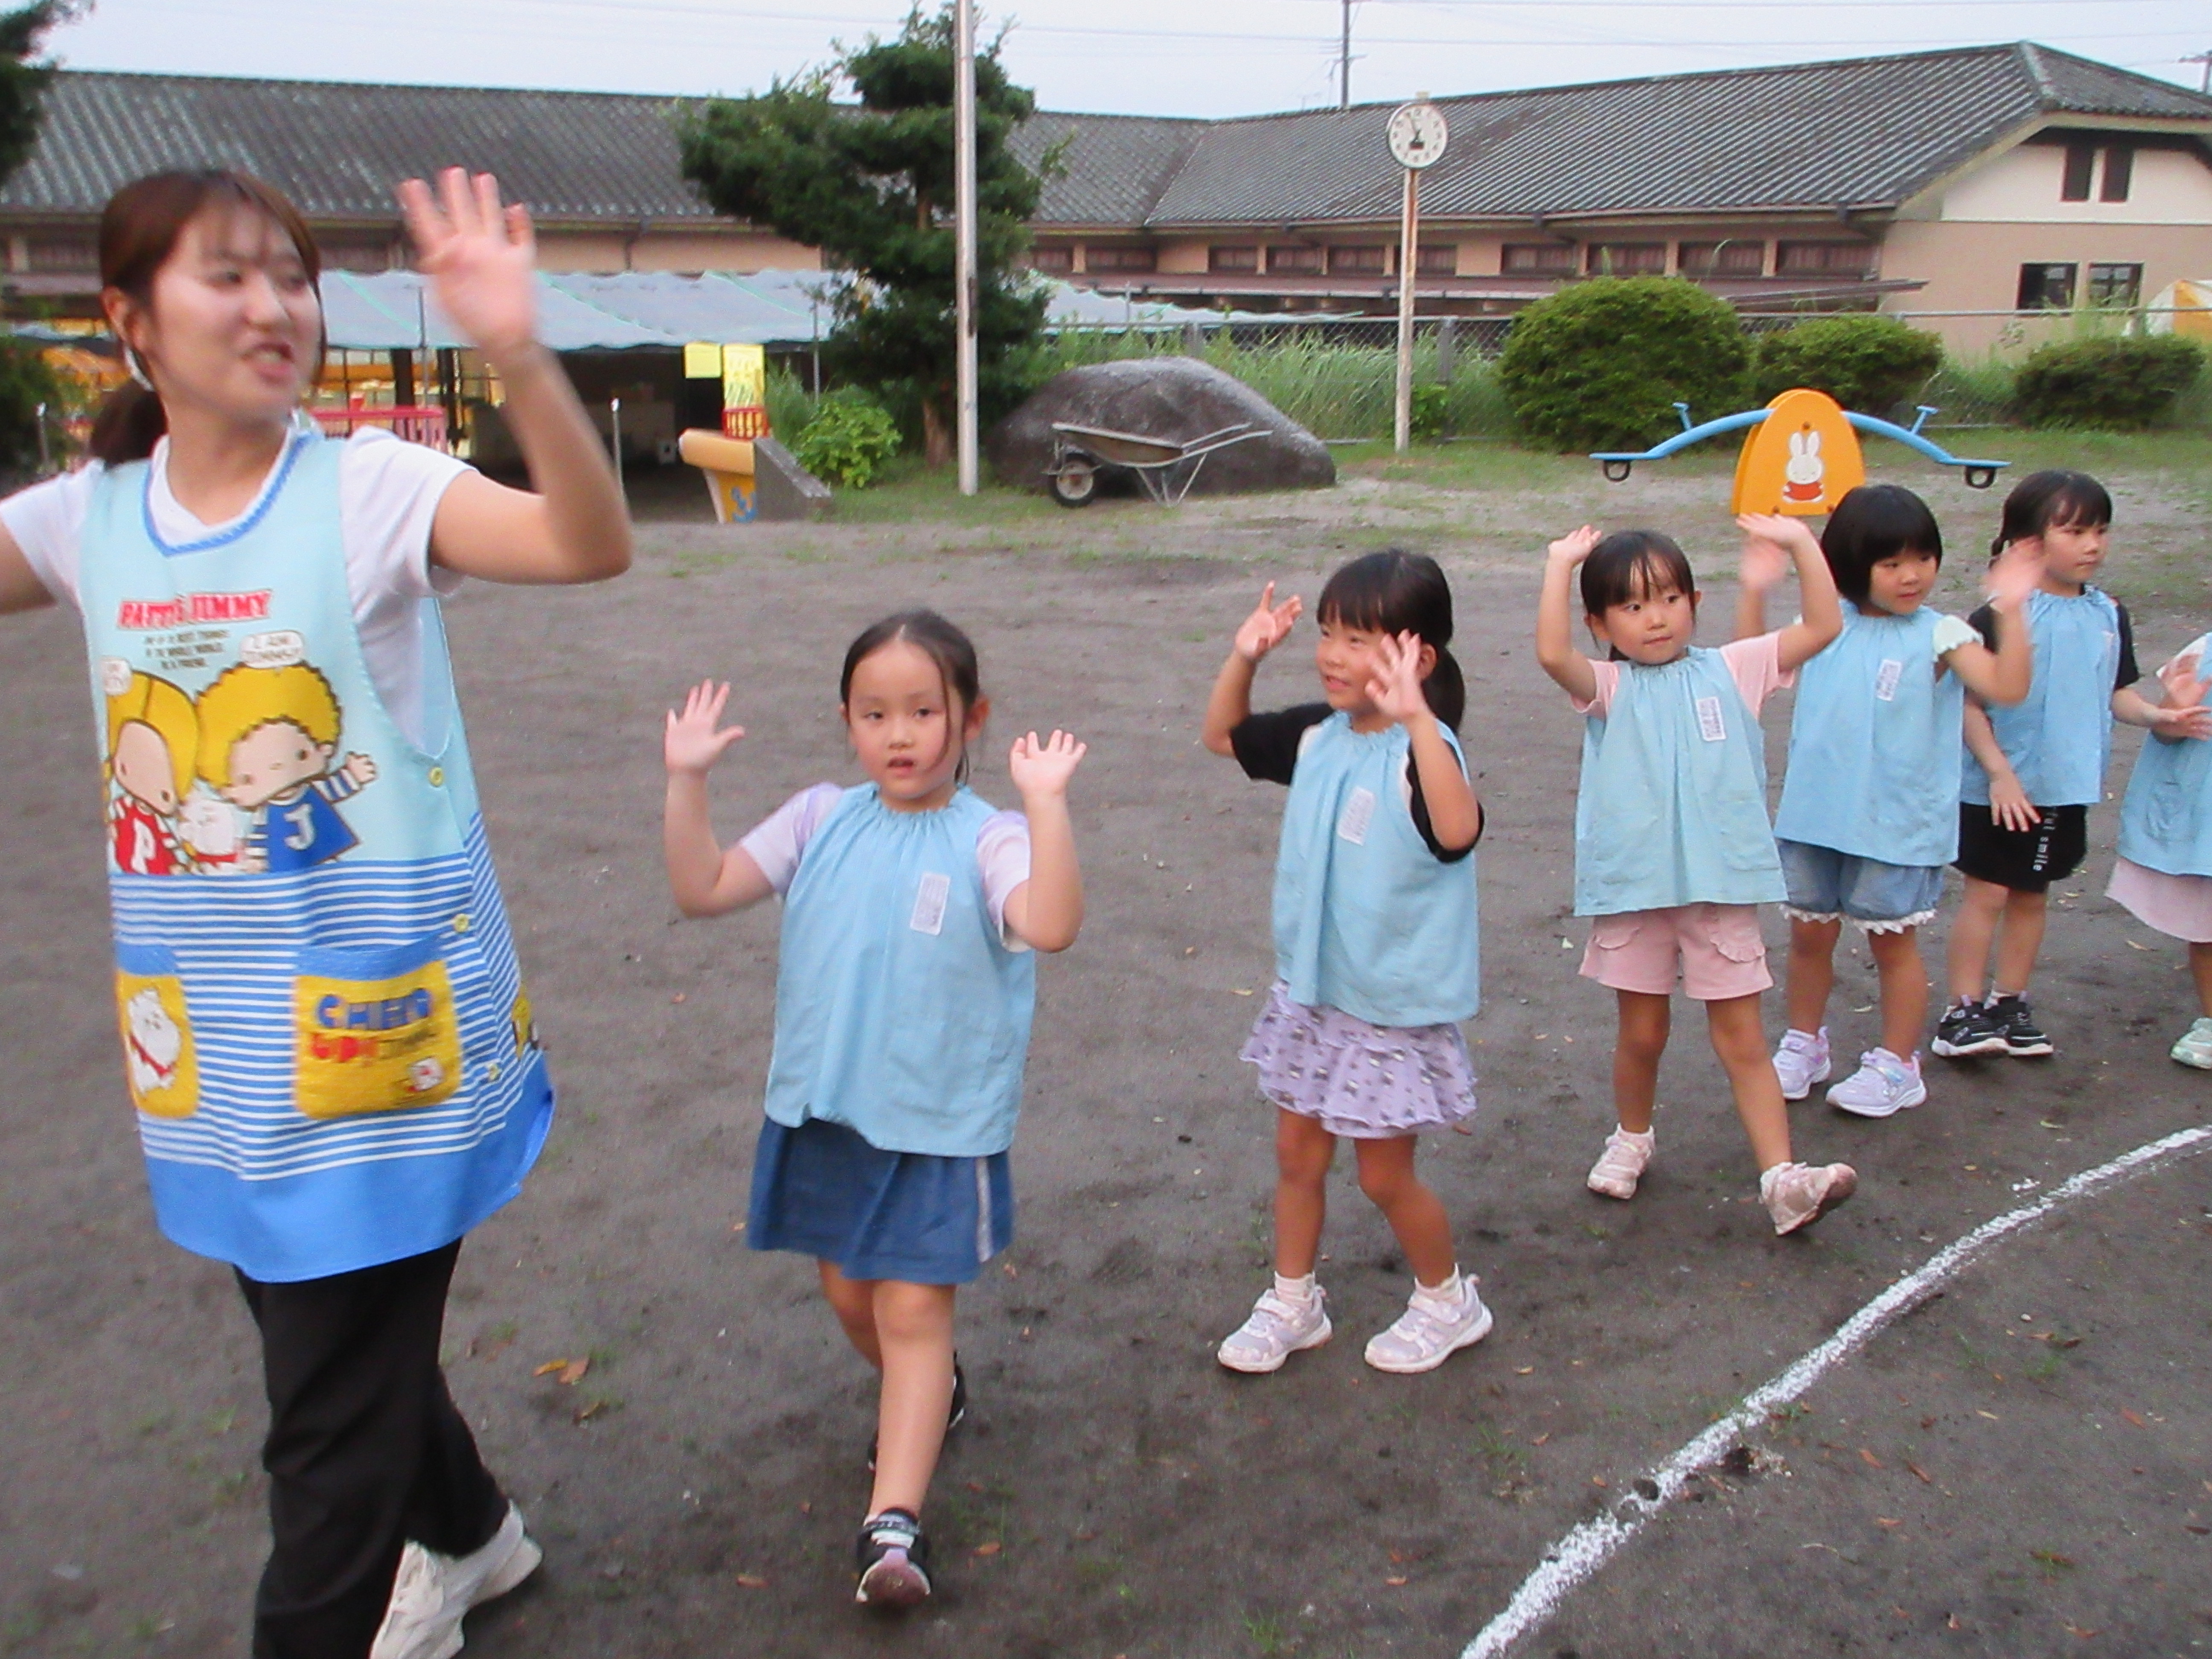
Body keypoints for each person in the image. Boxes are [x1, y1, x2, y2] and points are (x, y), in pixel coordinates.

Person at [0, 168, 632, 1659]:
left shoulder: (370, 491)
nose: (274, 305)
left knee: (324, 1432)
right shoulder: (89, 519)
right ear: (129, 320)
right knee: (334, 1352)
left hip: (379, 1055)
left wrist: (513, 348)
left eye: (292, 276)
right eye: (228, 276)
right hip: (211, 1057)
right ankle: (471, 1534)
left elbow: (586, 541)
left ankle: (397, 1575)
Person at [661, 613, 1086, 1610]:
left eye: (924, 712)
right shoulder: (819, 818)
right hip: (828, 1112)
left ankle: (892, 1526)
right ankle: (932, 1393)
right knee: (855, 1298)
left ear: (971, 718)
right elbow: (703, 886)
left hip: (937, 1123)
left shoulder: (991, 836)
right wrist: (686, 781)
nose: (899, 734)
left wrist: (1046, 807)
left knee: (909, 1310)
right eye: (874, 713)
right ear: (847, 721)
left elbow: (1051, 922)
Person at [1200, 550, 1490, 1377]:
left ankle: (1448, 1301)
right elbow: (1221, 735)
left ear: (1416, 658)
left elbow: (1458, 830)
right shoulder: (1317, 735)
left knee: (1384, 1177)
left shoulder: (1422, 753)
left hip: (1385, 1009)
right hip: (1314, 995)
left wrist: (1419, 721)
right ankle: (1293, 1302)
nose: (1331, 654)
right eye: (1327, 633)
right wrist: (1246, 655)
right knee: (1297, 1158)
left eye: (1358, 640)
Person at [1536, 517, 1857, 1234]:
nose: (1655, 617)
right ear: (1599, 624)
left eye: (1669, 598)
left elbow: (1823, 624)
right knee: (1641, 1032)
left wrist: (1801, 544)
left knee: (1742, 1037)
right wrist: (1559, 565)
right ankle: (1631, 1136)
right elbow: (1551, 653)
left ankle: (1781, 1179)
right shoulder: (1608, 686)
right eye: (1631, 605)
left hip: (1720, 890)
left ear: (1694, 601)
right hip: (1635, 892)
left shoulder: (1735, 668)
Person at [1740, 484, 2040, 1117]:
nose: (1913, 575)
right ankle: (1805, 1045)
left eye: (1923, 557)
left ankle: (1899, 1065)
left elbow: (2006, 687)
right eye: (1892, 563)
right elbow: (1748, 668)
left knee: (1893, 947)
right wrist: (1755, 590)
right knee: (1809, 938)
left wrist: (2012, 609)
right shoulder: (1824, 625)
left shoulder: (1941, 634)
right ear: (1853, 566)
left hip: (1897, 827)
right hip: (1815, 817)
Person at [1936, 470, 2210, 1058]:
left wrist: (2161, 717)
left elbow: (2116, 693)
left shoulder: (2108, 614)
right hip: (1997, 789)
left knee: (2031, 894)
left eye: (2101, 531)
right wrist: (1999, 773)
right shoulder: (2000, 614)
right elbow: (1968, 705)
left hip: (2064, 788)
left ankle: (2010, 1003)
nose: (2093, 545)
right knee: (1988, 894)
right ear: (2029, 541)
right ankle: (1961, 1011)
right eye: (2076, 531)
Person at [2108, 634, 2212, 1065]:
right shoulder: (2205, 651)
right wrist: (2174, 713)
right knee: (2206, 924)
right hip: (2205, 811)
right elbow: (2168, 730)